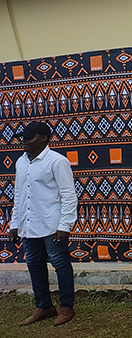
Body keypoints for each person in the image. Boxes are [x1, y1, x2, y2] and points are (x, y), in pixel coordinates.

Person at [9, 121, 78, 327]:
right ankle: (44, 306)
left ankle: (67, 307)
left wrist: (65, 225)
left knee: (60, 264)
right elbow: (19, 195)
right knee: (34, 265)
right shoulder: (21, 162)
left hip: (52, 224)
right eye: (24, 137)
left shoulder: (57, 161)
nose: (25, 141)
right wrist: (15, 223)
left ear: (44, 138)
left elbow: (68, 195)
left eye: (30, 137)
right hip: (29, 225)